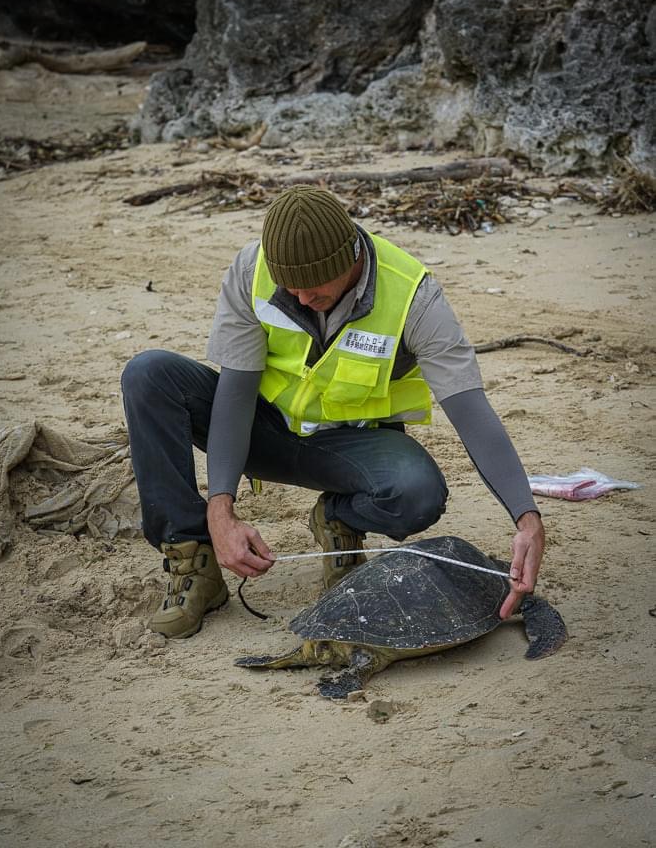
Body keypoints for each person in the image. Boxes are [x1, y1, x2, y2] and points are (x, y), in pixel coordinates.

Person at [121, 185, 544, 639]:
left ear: (351, 258)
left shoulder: (413, 298)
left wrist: (526, 517)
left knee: (417, 492)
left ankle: (340, 518)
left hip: (350, 449)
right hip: (261, 431)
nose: (301, 298)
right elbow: (235, 392)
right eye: (290, 286)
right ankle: (195, 563)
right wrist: (220, 509)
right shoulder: (252, 270)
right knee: (149, 374)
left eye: (314, 286)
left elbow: (471, 411)